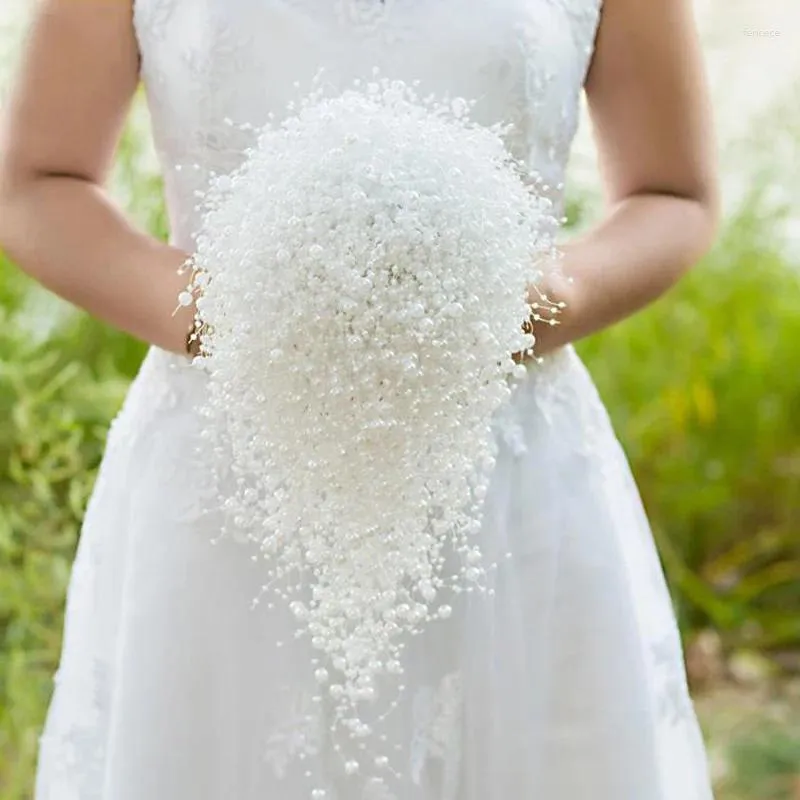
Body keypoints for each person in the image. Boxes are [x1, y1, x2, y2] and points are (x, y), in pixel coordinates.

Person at [0, 0, 719, 798]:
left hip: (506, 476)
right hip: (227, 472)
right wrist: (232, 314)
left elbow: (673, 192)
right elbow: (37, 183)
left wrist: (540, 300)